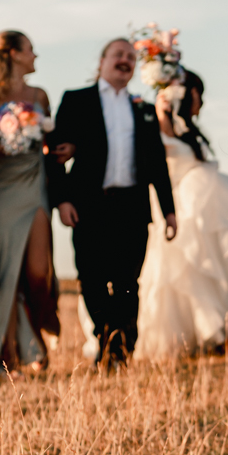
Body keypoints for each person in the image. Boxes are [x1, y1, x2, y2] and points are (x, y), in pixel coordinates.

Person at [51, 37, 177, 368]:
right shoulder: (76, 100)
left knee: (126, 283)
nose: (125, 60)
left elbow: (158, 165)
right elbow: (56, 154)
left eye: (131, 57)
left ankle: (122, 348)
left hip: (132, 208)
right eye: (118, 54)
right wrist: (62, 200)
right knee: (91, 279)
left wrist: (169, 210)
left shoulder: (144, 109)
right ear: (102, 60)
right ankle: (106, 337)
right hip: (89, 206)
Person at [129, 69, 228, 359]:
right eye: (198, 93)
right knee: (191, 267)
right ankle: (205, 333)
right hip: (182, 204)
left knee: (218, 262)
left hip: (208, 201)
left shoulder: (189, 129)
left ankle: (227, 331)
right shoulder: (162, 124)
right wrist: (164, 101)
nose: (202, 101)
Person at [0, 30, 60, 378]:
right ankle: (6, 356)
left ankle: (35, 338)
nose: (35, 55)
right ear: (13, 54)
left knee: (38, 274)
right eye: (31, 50)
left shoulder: (40, 95)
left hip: (34, 186)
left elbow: (48, 144)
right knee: (6, 276)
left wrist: (60, 149)